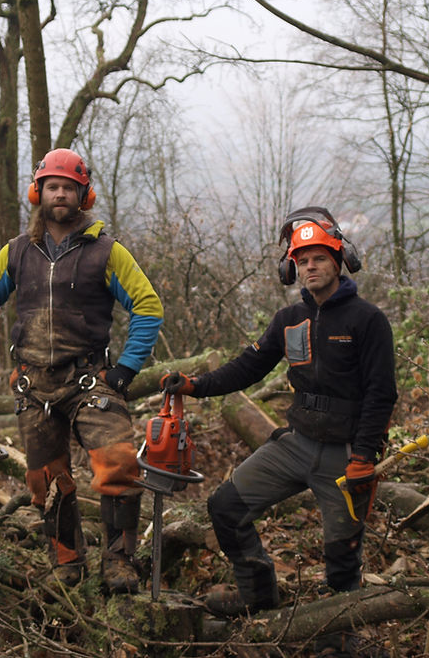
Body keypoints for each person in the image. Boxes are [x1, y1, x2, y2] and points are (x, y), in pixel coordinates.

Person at [0, 148, 163, 593]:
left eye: (69, 187)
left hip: (89, 379)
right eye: (52, 186)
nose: (60, 194)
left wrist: (125, 369)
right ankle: (67, 563)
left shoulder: (107, 252)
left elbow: (148, 306)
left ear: (84, 195)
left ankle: (119, 562)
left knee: (119, 463)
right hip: (34, 384)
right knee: (45, 477)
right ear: (37, 192)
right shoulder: (17, 253)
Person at [161, 206, 397, 614]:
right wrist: (197, 386)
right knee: (226, 507)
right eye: (301, 261)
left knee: (343, 558)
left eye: (319, 258)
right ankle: (259, 600)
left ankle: (336, 641)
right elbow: (249, 367)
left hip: (345, 456)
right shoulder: (289, 319)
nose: (310, 267)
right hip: (296, 444)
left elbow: (382, 393)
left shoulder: (368, 320)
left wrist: (364, 455)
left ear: (340, 260)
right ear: (292, 270)